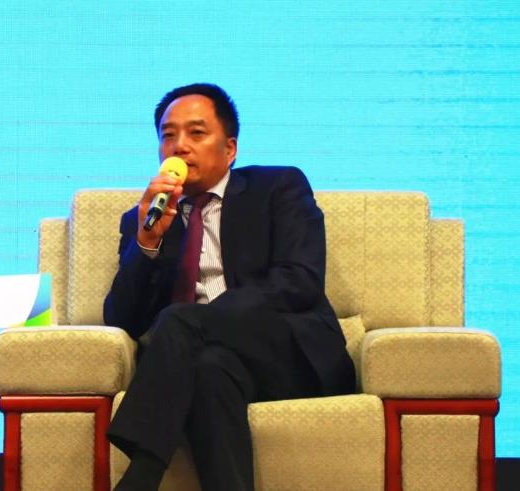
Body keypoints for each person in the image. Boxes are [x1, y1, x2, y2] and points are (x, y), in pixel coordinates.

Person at [103, 83, 355, 491]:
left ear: (230, 148)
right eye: (168, 135)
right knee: (208, 369)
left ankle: (142, 475)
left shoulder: (278, 187)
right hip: (208, 363)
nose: (179, 146)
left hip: (289, 356)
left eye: (196, 133)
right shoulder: (145, 218)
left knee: (181, 322)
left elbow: (300, 281)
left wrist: (204, 320)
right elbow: (122, 319)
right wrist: (147, 242)